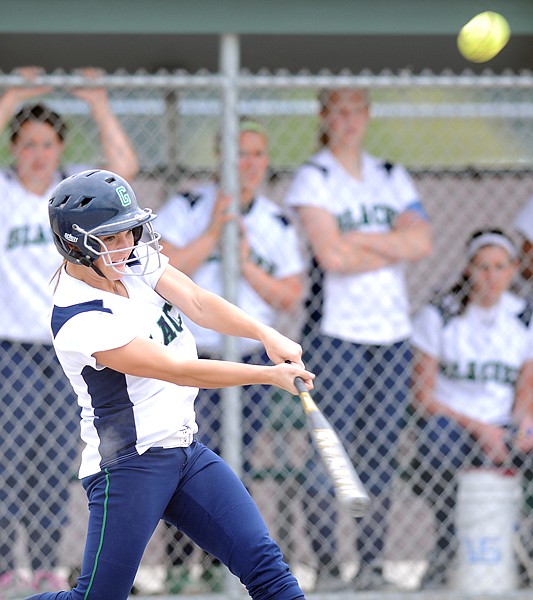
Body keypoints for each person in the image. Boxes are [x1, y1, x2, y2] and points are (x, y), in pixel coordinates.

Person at [26, 169, 314, 600]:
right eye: (112, 237)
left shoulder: (133, 260)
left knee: (265, 565)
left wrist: (265, 335)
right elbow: (178, 369)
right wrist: (266, 376)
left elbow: (197, 301)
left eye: (130, 231)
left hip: (185, 453)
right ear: (76, 245)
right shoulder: (79, 318)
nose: (127, 244)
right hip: (128, 466)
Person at [284, 87, 432, 591]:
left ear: (368, 116)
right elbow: (332, 258)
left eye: (356, 111)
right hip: (336, 335)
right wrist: (391, 244)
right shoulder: (315, 176)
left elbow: (423, 241)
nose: (348, 120)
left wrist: (361, 242)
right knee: (329, 449)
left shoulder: (390, 174)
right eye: (338, 111)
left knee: (378, 452)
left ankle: (370, 565)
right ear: (324, 117)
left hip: (392, 336)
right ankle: (328, 566)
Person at [0, 66, 139, 597]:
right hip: (13, 349)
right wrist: (14, 95)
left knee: (55, 459)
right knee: (9, 458)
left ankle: (40, 565)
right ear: (15, 149)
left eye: (47, 144)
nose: (38, 154)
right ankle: (5, 567)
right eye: (28, 144)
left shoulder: (74, 196)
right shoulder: (8, 193)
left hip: (69, 348)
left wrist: (98, 102)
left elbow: (123, 170)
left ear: (60, 149)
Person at [155, 119, 305, 591]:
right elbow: (162, 273)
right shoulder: (189, 206)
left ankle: (222, 572)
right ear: (220, 159)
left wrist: (242, 262)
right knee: (174, 466)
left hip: (246, 362)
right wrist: (212, 231)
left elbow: (288, 294)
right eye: (239, 154)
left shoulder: (275, 220)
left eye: (258, 154)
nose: (249, 164)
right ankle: (181, 572)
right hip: (189, 358)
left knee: (227, 470)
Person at [409, 228, 533, 589]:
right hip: (454, 422)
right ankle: (446, 543)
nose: (491, 277)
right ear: (468, 269)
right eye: (482, 267)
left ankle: (523, 546)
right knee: (437, 443)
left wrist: (524, 422)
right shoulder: (441, 315)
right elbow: (424, 397)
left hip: (505, 424)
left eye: (499, 267)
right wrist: (482, 429)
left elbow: (526, 387)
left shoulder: (523, 315)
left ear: (513, 269)